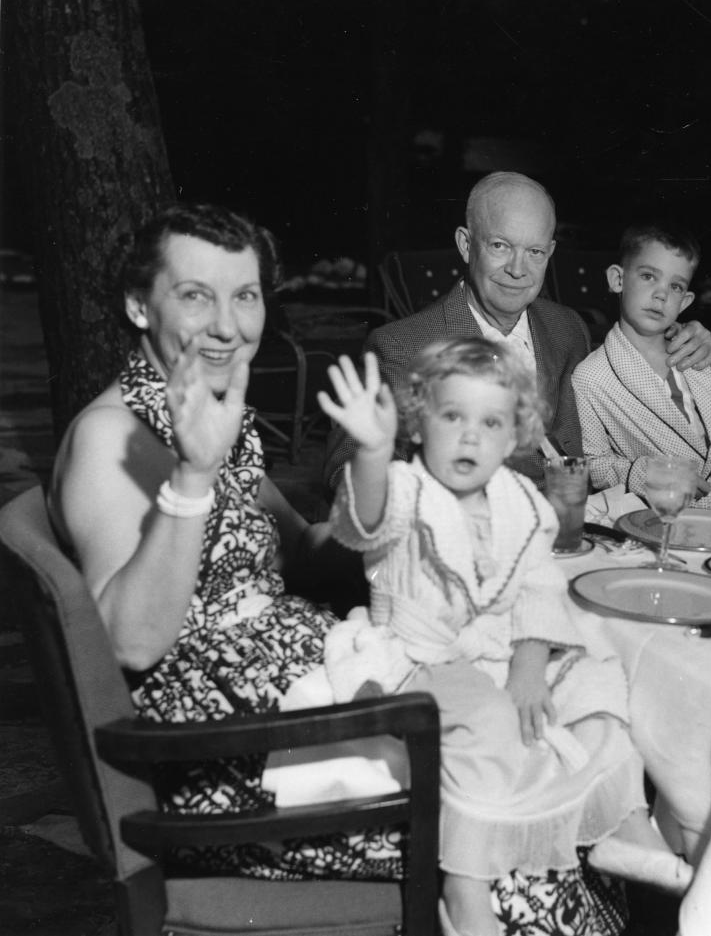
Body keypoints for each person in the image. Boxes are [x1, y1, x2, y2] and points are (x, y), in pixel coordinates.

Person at [46, 203, 632, 935]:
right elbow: (132, 641)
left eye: (246, 294)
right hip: (235, 758)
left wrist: (411, 506)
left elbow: (304, 549)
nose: (228, 323)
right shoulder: (112, 436)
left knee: (546, 747)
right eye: (196, 294)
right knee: (517, 832)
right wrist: (193, 477)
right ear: (139, 304)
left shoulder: (200, 408)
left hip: (312, 697)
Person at [317, 338, 693, 936]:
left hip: (502, 650)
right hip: (424, 658)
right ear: (419, 423)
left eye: (490, 422)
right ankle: (466, 885)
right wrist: (370, 449)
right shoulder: (405, 489)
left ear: (515, 433)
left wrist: (529, 660)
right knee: (489, 725)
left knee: (599, 676)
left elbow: (541, 585)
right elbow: (363, 522)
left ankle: (626, 824)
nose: (470, 437)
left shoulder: (520, 501)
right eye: (452, 417)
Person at [322, 171, 711, 493]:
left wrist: (677, 337)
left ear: (549, 254)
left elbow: (620, 370)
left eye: (533, 252)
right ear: (466, 245)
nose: (518, 269)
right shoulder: (401, 346)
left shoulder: (566, 329)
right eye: (500, 246)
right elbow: (345, 474)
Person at [572, 221, 711, 507]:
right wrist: (650, 474)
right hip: (666, 515)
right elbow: (593, 464)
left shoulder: (701, 360)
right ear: (618, 279)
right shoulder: (592, 377)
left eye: (675, 286)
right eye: (649, 276)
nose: (661, 294)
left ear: (685, 301)